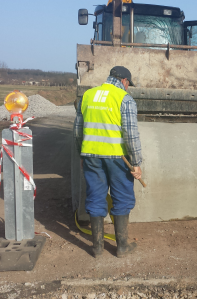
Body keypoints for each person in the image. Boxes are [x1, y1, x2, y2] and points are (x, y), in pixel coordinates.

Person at [75, 66, 143, 258]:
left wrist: (82, 155)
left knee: (95, 197)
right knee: (122, 198)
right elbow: (130, 134)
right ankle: (121, 247)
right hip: (117, 159)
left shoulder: (87, 96)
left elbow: (78, 131)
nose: (128, 88)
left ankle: (97, 249)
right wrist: (136, 162)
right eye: (129, 85)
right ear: (124, 81)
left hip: (91, 156)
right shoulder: (124, 98)